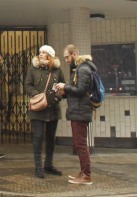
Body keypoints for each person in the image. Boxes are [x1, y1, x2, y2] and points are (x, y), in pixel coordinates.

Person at [55, 44, 96, 185]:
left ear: (74, 54)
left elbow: (81, 90)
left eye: (67, 57)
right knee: (79, 144)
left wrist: (65, 87)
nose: (66, 60)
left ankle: (87, 175)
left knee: (81, 144)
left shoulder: (83, 69)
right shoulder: (78, 69)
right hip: (77, 110)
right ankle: (83, 172)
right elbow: (76, 91)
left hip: (81, 111)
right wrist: (64, 92)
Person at [25, 45, 66, 178]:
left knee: (50, 138)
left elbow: (63, 87)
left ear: (49, 55)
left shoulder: (57, 70)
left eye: (43, 52)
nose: (40, 54)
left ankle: (48, 165)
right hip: (38, 109)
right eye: (40, 52)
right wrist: (37, 95)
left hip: (53, 108)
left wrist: (56, 97)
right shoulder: (33, 68)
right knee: (37, 137)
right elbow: (27, 85)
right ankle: (38, 167)